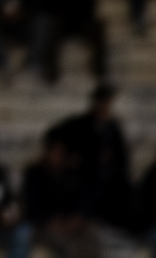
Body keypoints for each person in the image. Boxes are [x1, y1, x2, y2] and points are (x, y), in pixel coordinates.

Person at [20, 129, 109, 258]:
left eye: (61, 153)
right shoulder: (34, 174)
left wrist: (76, 217)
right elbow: (31, 204)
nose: (57, 156)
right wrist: (50, 221)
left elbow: (80, 198)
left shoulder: (69, 174)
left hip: (67, 221)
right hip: (44, 224)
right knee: (66, 241)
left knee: (90, 232)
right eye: (55, 152)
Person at [52, 81, 132, 230]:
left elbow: (122, 159)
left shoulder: (113, 128)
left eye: (107, 103)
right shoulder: (80, 125)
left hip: (108, 181)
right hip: (85, 177)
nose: (105, 107)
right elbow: (56, 136)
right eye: (102, 102)